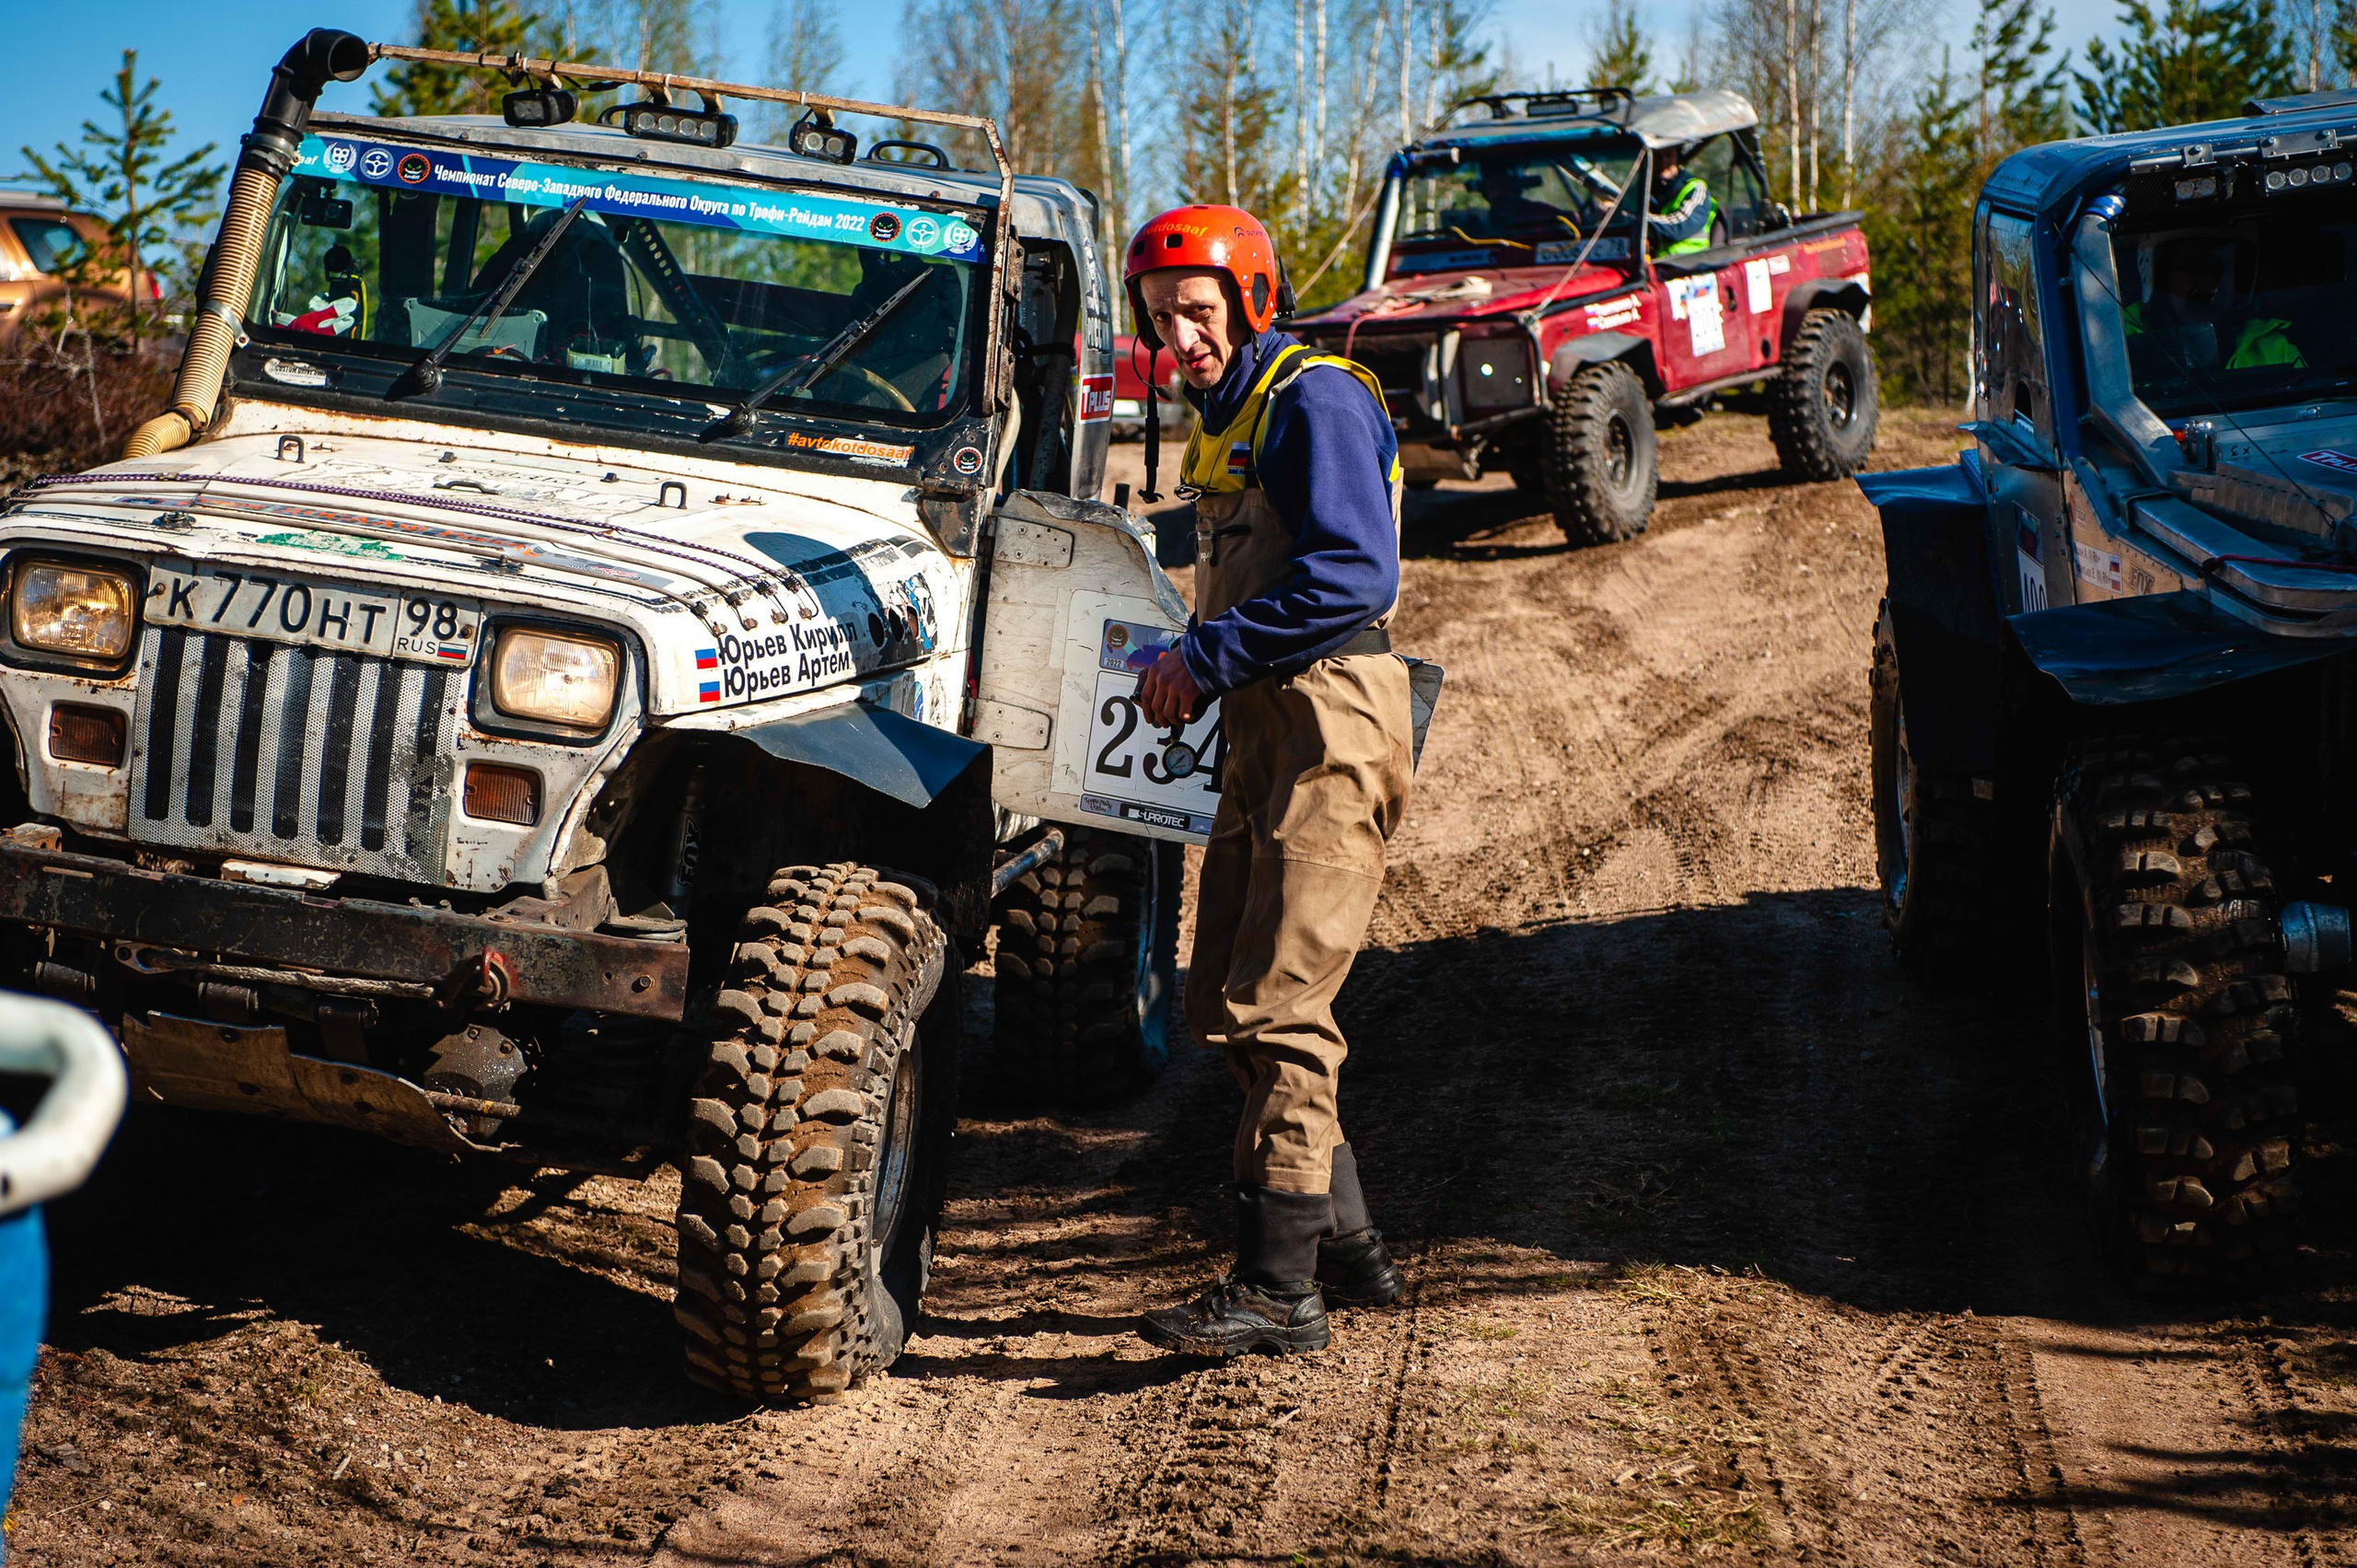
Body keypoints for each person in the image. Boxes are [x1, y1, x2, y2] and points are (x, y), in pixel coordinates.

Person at [1123, 203, 1415, 1357]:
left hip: (1327, 726)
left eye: (1196, 312)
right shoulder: (1231, 413)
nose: (1179, 339)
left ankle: (1278, 1288)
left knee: (1283, 1004)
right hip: (1262, 730)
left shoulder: (1315, 400)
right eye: (1159, 319)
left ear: (1250, 300)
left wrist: (1204, 656)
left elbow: (1354, 574)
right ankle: (1347, 1243)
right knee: (1231, 1000)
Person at [2122, 235, 2302, 371]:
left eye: (2220, 269)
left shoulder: (2275, 352)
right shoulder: (2118, 344)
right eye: (2191, 268)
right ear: (2160, 276)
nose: (2208, 285)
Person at [1567, 142, 1716, 255]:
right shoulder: (1642, 188)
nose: (1663, 162)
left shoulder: (1695, 188)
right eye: (1656, 156)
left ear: (1678, 158)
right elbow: (1622, 215)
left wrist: (1627, 217)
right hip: (1650, 267)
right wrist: (1596, 216)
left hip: (1690, 267)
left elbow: (1678, 226)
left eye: (1669, 155)